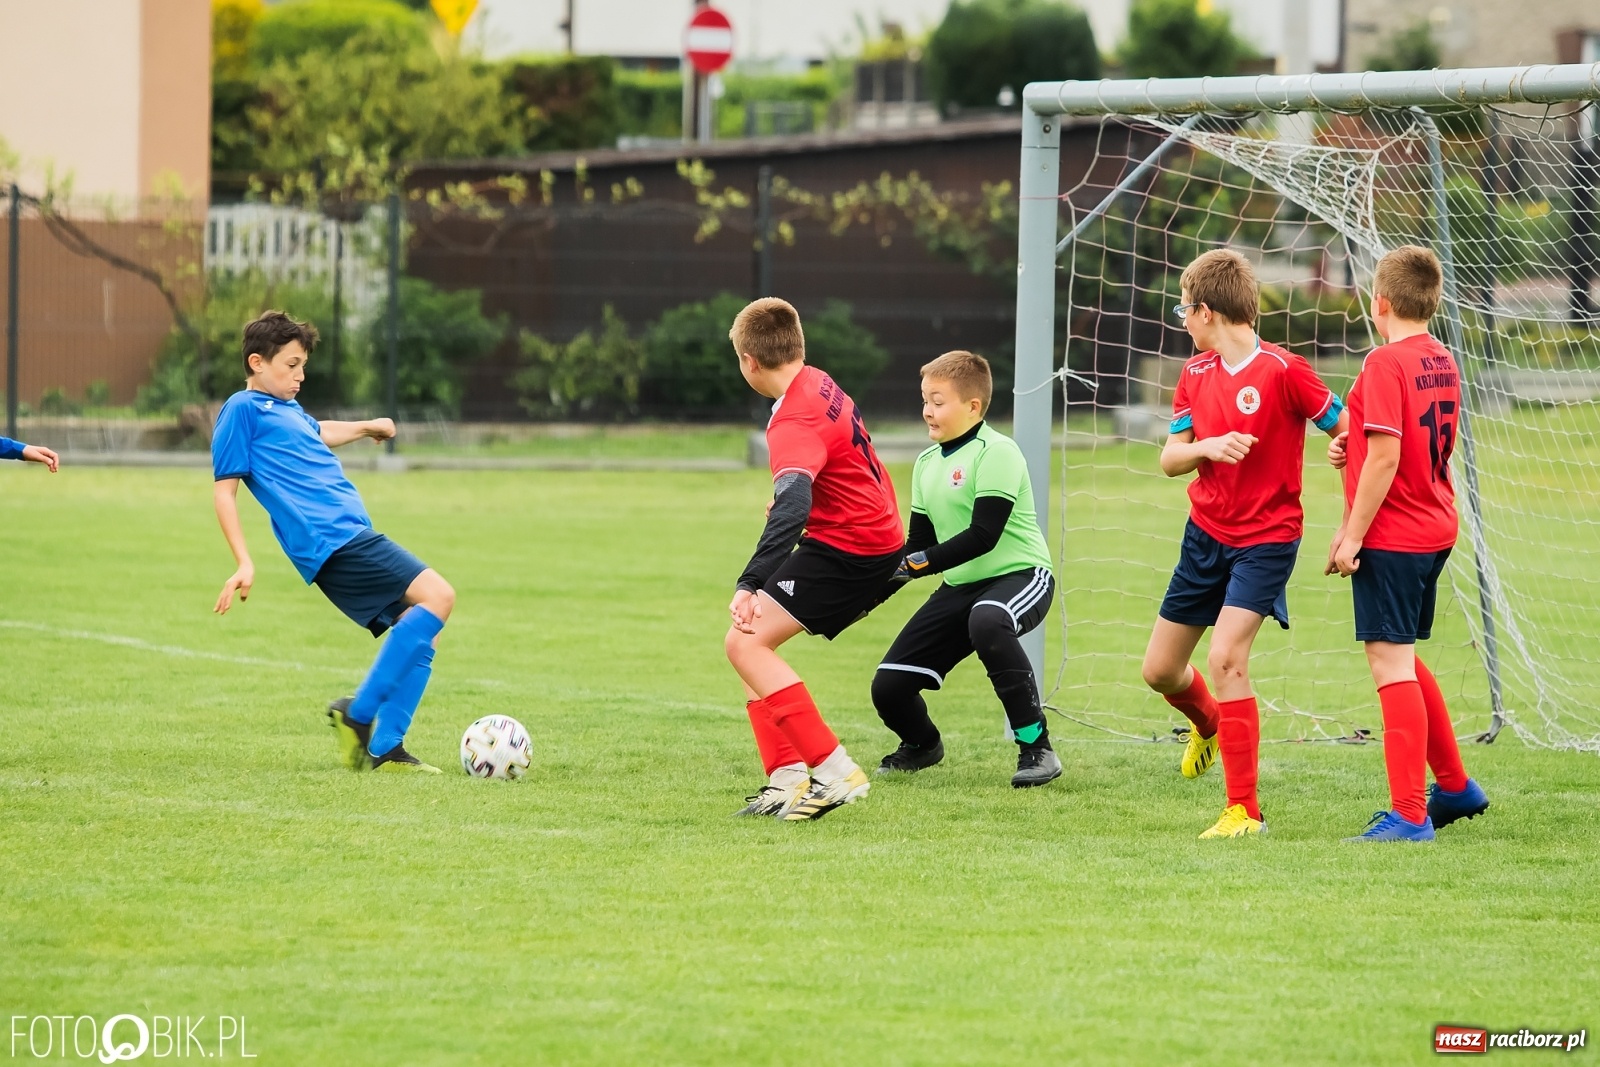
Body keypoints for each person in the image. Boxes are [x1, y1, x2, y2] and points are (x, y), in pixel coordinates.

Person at [1140, 248, 1347, 839]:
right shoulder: (1194, 374)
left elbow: (1347, 431)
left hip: (1267, 541)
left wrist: (1342, 452)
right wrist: (1205, 447)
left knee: (1226, 658)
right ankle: (1209, 724)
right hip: (1204, 535)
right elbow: (1169, 459)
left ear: (1206, 311)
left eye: (1184, 309)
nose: (1183, 319)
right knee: (1160, 671)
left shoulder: (1285, 370)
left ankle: (1244, 811)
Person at [211, 310, 456, 774]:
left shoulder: (286, 410)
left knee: (423, 627)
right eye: (291, 365)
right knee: (439, 597)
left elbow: (318, 431)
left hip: (347, 534)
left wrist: (367, 427)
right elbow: (225, 491)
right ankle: (358, 714)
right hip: (332, 538)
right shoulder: (242, 410)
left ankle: (385, 749)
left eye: (303, 365)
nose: (300, 375)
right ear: (257, 362)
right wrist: (243, 560)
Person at [1326, 244, 1490, 841]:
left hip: (1395, 533)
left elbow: (1388, 457)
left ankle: (1409, 815)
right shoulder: (1442, 358)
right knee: (1403, 656)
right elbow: (1399, 442)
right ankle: (1455, 786)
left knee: (1388, 660)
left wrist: (1351, 534)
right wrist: (1354, 446)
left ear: (1380, 303)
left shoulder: (1383, 362)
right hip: (1433, 524)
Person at [724, 297, 904, 821]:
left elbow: (794, 502)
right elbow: (833, 469)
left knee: (744, 640)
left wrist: (751, 581)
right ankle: (786, 779)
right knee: (750, 639)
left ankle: (835, 770)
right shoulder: (818, 381)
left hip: (853, 548)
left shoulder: (791, 420)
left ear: (749, 362)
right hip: (866, 535)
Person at [871, 350, 1061, 787]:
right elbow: (917, 548)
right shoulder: (925, 463)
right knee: (889, 687)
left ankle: (1037, 748)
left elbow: (982, 536)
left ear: (973, 406)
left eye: (938, 401)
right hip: (961, 586)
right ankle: (922, 745)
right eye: (924, 400)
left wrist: (916, 563)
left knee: (988, 619)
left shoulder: (998, 452)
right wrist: (864, 593)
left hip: (1021, 576)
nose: (927, 411)